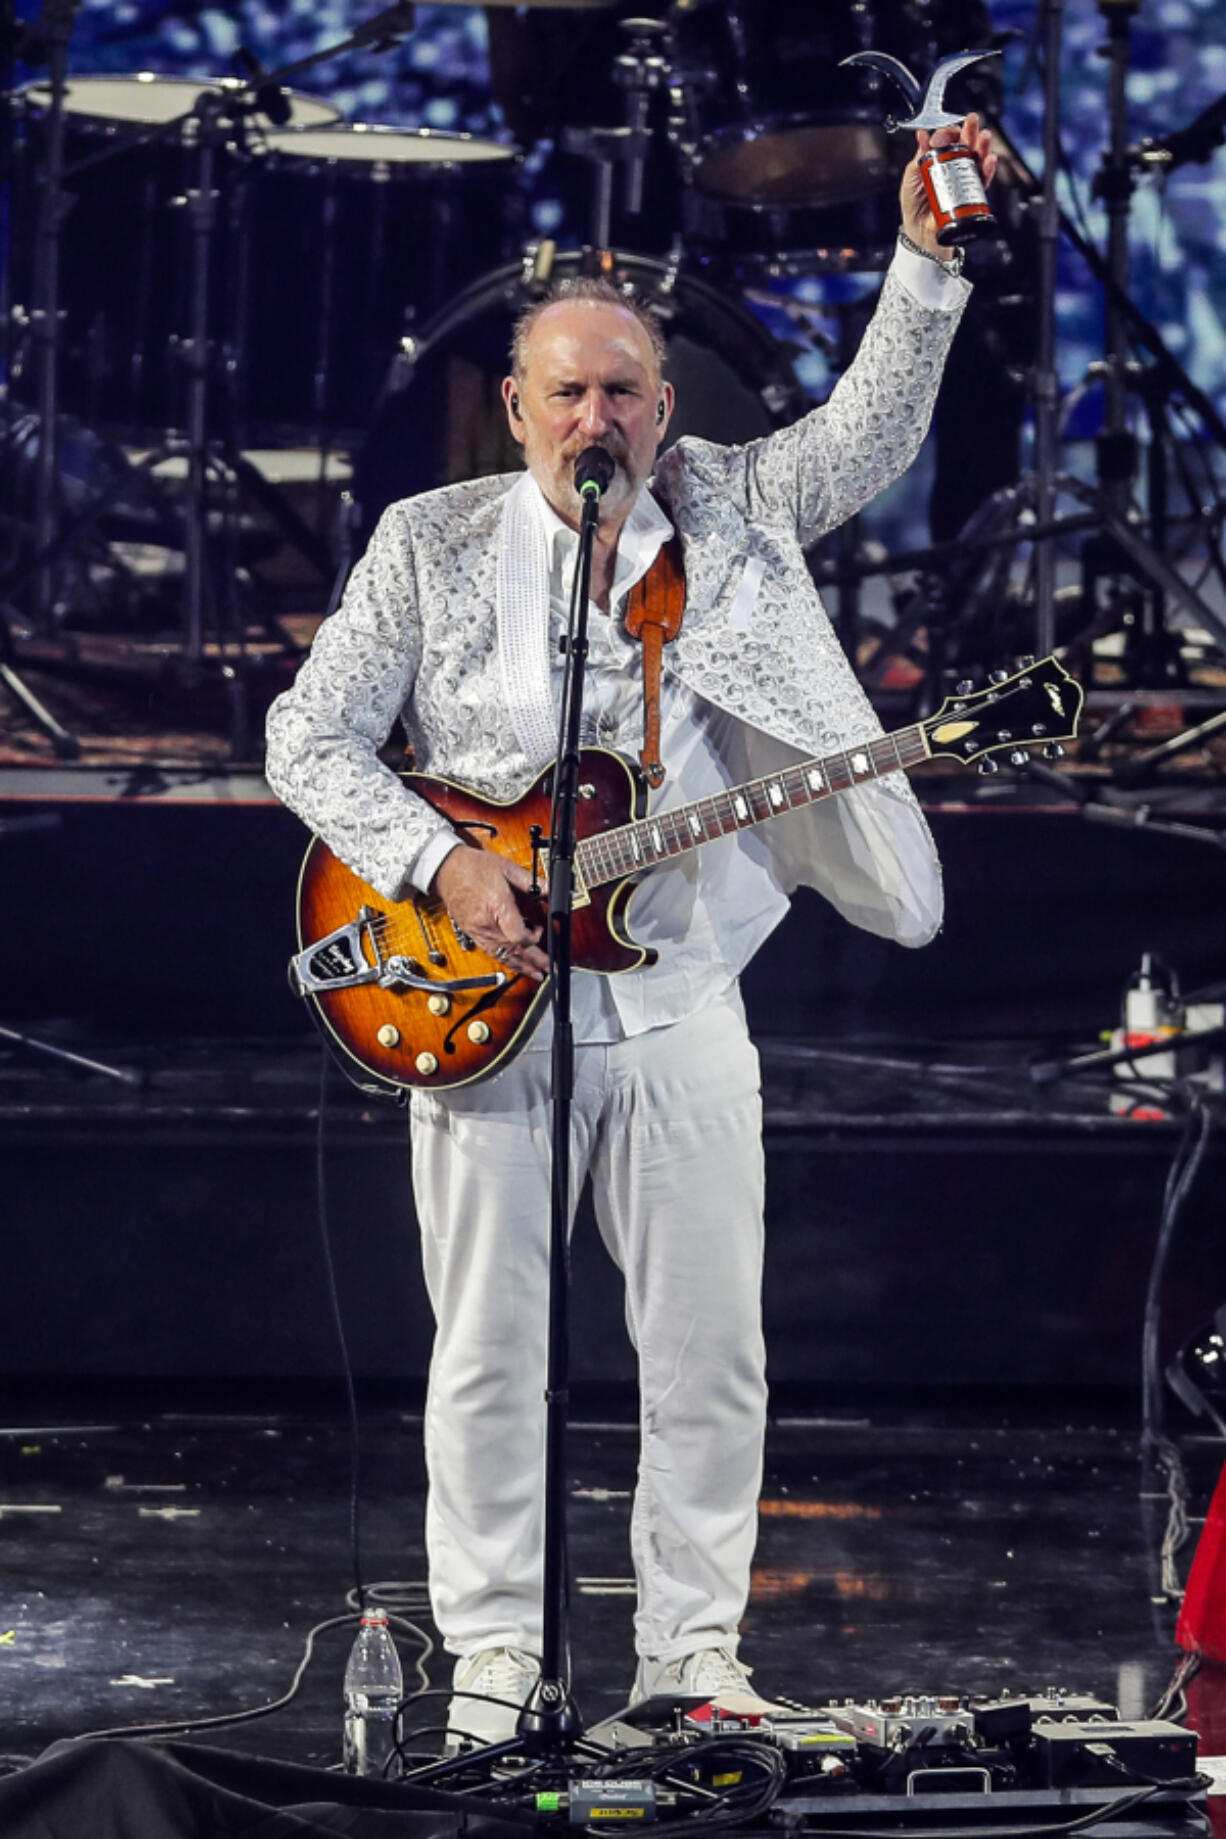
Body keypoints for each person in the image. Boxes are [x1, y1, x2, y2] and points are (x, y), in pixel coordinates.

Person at [265, 117, 996, 1746]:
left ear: (665, 411)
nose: (597, 416)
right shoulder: (428, 543)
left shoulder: (735, 510)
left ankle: (691, 1658)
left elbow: (871, 427)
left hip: (678, 1009)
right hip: (479, 1006)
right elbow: (304, 742)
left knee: (707, 1357)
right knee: (488, 1360)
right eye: (567, 391)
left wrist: (929, 267)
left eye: (625, 391)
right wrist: (438, 867)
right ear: (516, 408)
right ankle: (496, 1665)